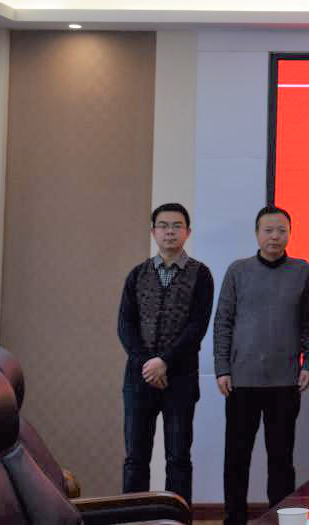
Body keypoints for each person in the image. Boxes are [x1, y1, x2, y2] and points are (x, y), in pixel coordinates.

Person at [214, 206, 309, 525]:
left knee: (281, 459)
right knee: (236, 458)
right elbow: (223, 322)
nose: (275, 236)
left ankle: (281, 518)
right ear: (257, 234)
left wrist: (308, 363)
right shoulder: (238, 271)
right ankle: (234, 518)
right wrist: (222, 368)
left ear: (290, 233)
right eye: (268, 230)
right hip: (241, 381)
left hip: (285, 381)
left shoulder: (302, 271)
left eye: (281, 230)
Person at [117, 202, 214, 504]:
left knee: (178, 458)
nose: (170, 232)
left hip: (181, 379)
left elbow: (197, 327)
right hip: (139, 378)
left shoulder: (201, 275)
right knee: (135, 458)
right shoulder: (137, 274)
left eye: (176, 226)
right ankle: (135, 520)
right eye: (163, 226)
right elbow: (125, 326)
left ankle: (176, 520)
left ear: (188, 232)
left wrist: (165, 362)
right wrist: (148, 363)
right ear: (153, 232)